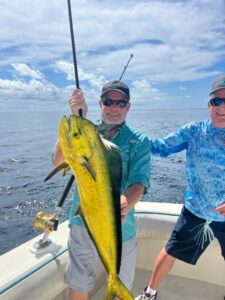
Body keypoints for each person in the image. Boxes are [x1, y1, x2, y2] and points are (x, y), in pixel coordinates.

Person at [53, 80, 151, 300]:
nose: (114, 108)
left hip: (121, 228)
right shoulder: (85, 130)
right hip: (82, 221)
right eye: (109, 102)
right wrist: (78, 119)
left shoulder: (140, 141)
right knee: (79, 282)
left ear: (128, 106)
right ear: (100, 103)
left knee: (120, 284)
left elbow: (139, 182)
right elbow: (58, 161)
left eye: (121, 102)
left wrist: (126, 201)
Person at [135, 75, 225, 300]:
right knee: (170, 250)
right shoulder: (194, 131)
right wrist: (129, 137)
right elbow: (161, 146)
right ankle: (149, 294)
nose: (222, 107)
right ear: (208, 104)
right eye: (217, 101)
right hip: (195, 211)